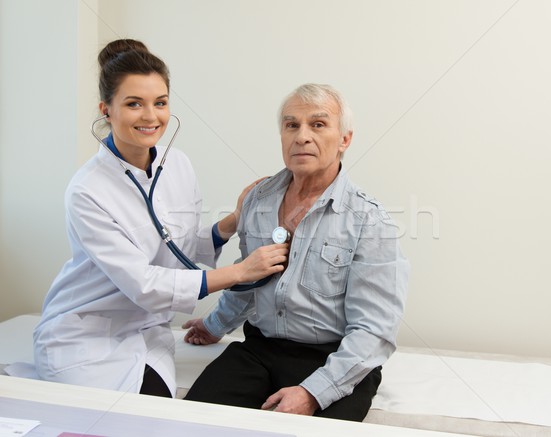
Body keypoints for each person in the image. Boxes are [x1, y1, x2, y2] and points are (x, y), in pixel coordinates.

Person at [32, 39, 287, 398]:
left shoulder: (177, 164)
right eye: (134, 103)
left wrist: (232, 220)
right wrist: (240, 272)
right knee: (123, 420)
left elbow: (178, 247)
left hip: (149, 330)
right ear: (106, 109)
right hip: (86, 332)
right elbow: (143, 284)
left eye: (160, 103)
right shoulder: (87, 190)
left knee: (157, 409)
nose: (151, 116)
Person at [182, 83, 409, 421]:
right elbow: (249, 281)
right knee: (190, 424)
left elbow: (374, 330)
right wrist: (215, 325)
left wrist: (313, 392)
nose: (302, 136)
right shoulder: (257, 199)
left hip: (332, 358)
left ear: (344, 139)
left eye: (318, 124)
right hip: (260, 350)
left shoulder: (370, 220)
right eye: (292, 125)